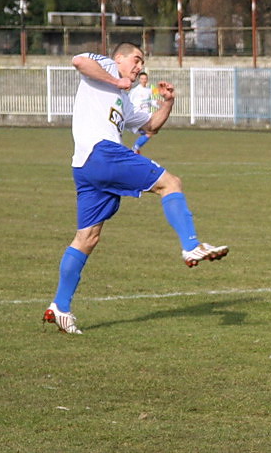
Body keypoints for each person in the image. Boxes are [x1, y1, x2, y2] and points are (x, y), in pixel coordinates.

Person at [43, 42, 229, 335]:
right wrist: (118, 78)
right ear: (119, 58)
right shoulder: (103, 65)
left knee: (87, 238)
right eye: (136, 59)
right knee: (171, 183)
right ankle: (191, 245)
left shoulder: (123, 100)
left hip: (85, 167)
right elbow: (78, 61)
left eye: (142, 63)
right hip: (101, 153)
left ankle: (60, 306)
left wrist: (167, 103)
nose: (140, 66)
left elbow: (150, 127)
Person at [128, 71, 160, 153]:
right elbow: (129, 101)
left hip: (146, 115)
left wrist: (159, 104)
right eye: (142, 79)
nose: (144, 80)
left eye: (145, 79)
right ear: (139, 80)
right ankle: (135, 148)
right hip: (138, 115)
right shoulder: (135, 91)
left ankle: (136, 148)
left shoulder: (149, 90)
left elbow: (150, 101)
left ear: (147, 80)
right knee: (150, 132)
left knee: (149, 133)